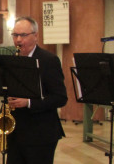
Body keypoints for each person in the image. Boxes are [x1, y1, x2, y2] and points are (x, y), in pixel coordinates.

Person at [6, 16, 68, 164]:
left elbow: (60, 98)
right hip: (16, 132)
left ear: (36, 36)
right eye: (15, 35)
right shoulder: (12, 59)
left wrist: (28, 102)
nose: (18, 40)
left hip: (41, 134)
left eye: (23, 35)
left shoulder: (49, 60)